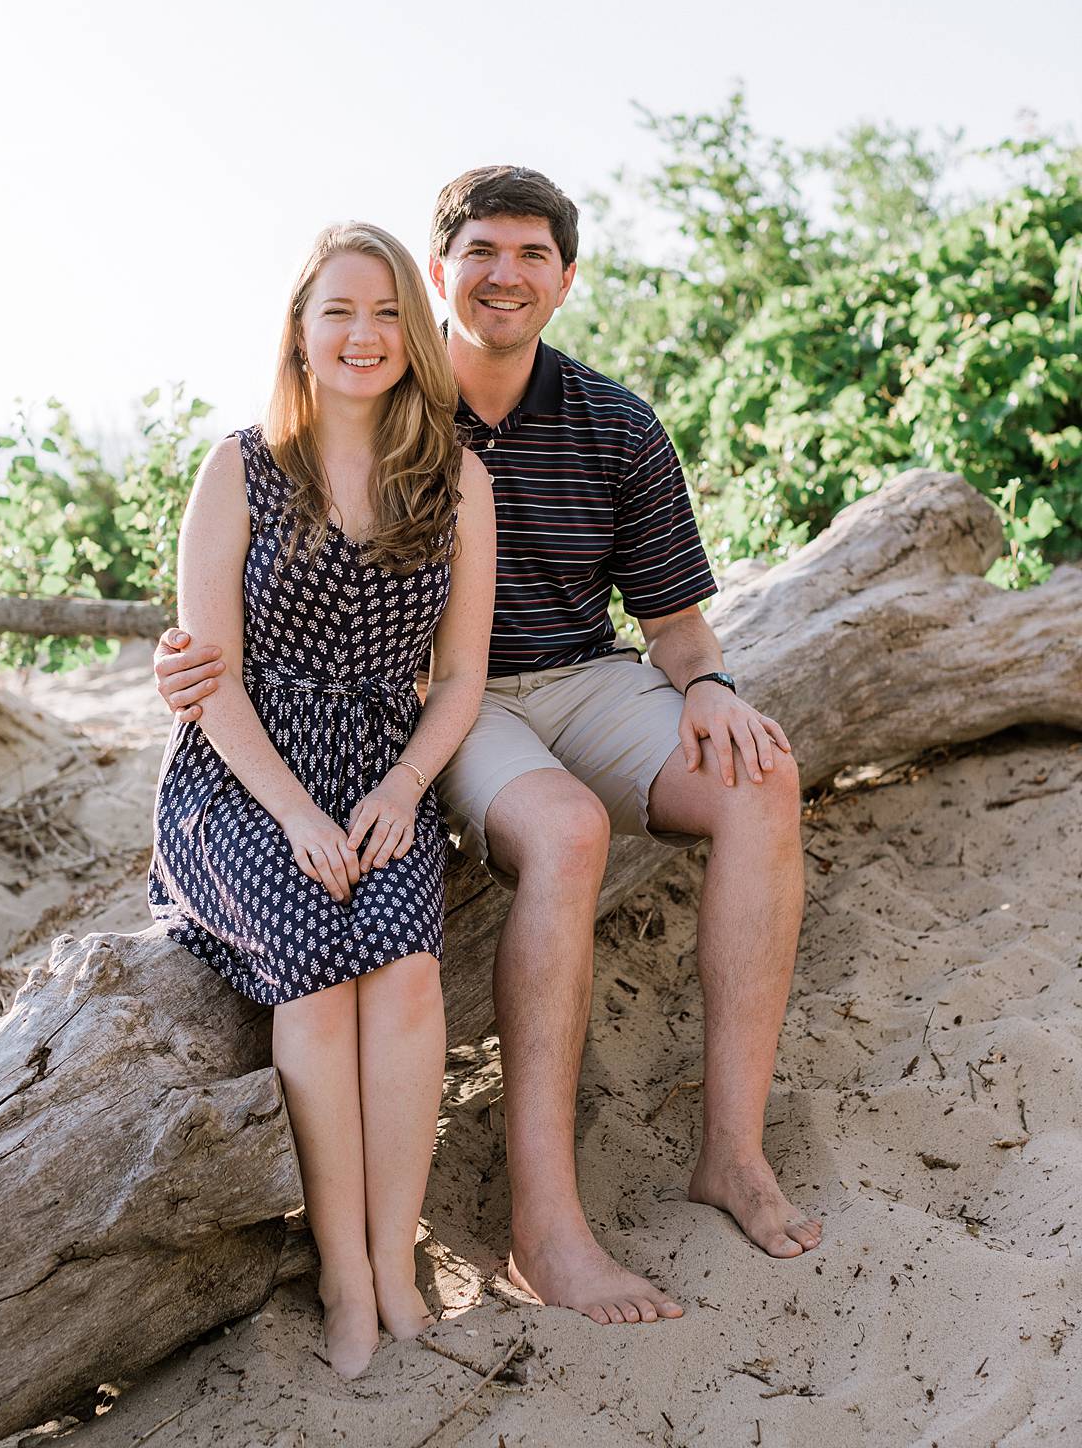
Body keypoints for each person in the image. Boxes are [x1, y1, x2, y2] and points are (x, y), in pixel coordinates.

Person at [155, 167, 821, 1331]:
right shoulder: (384, 394)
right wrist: (192, 664)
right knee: (566, 831)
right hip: (433, 707)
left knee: (763, 782)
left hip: (585, 675)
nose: (506, 273)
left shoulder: (613, 421)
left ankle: (734, 1152)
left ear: (567, 278)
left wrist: (710, 682)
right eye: (483, 250)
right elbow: (266, 580)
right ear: (438, 271)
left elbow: (670, 620)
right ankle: (545, 1229)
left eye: (533, 254)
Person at [148, 221, 495, 1379]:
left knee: (402, 970)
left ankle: (395, 1263)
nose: (364, 334)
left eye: (389, 312)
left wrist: (404, 786)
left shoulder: (455, 476)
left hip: (382, 772)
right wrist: (294, 809)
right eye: (339, 311)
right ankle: (342, 1274)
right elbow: (212, 678)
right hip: (242, 771)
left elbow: (458, 681)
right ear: (299, 330)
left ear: (414, 332)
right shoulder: (238, 464)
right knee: (318, 967)